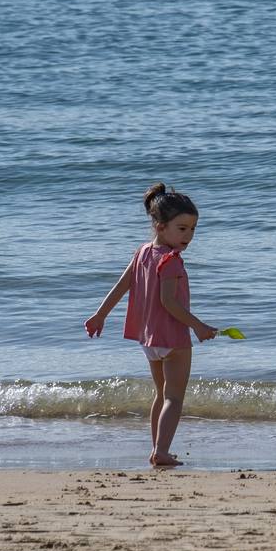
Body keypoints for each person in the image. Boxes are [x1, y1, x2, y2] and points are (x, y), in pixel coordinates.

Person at [85, 183, 217, 467]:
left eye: (193, 229)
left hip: (149, 339)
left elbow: (122, 286)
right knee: (174, 398)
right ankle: (162, 451)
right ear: (159, 226)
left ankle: (157, 449)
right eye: (181, 229)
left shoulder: (143, 252)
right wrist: (198, 326)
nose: (189, 236)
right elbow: (169, 303)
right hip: (173, 339)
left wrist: (100, 315)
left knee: (161, 395)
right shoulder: (170, 261)